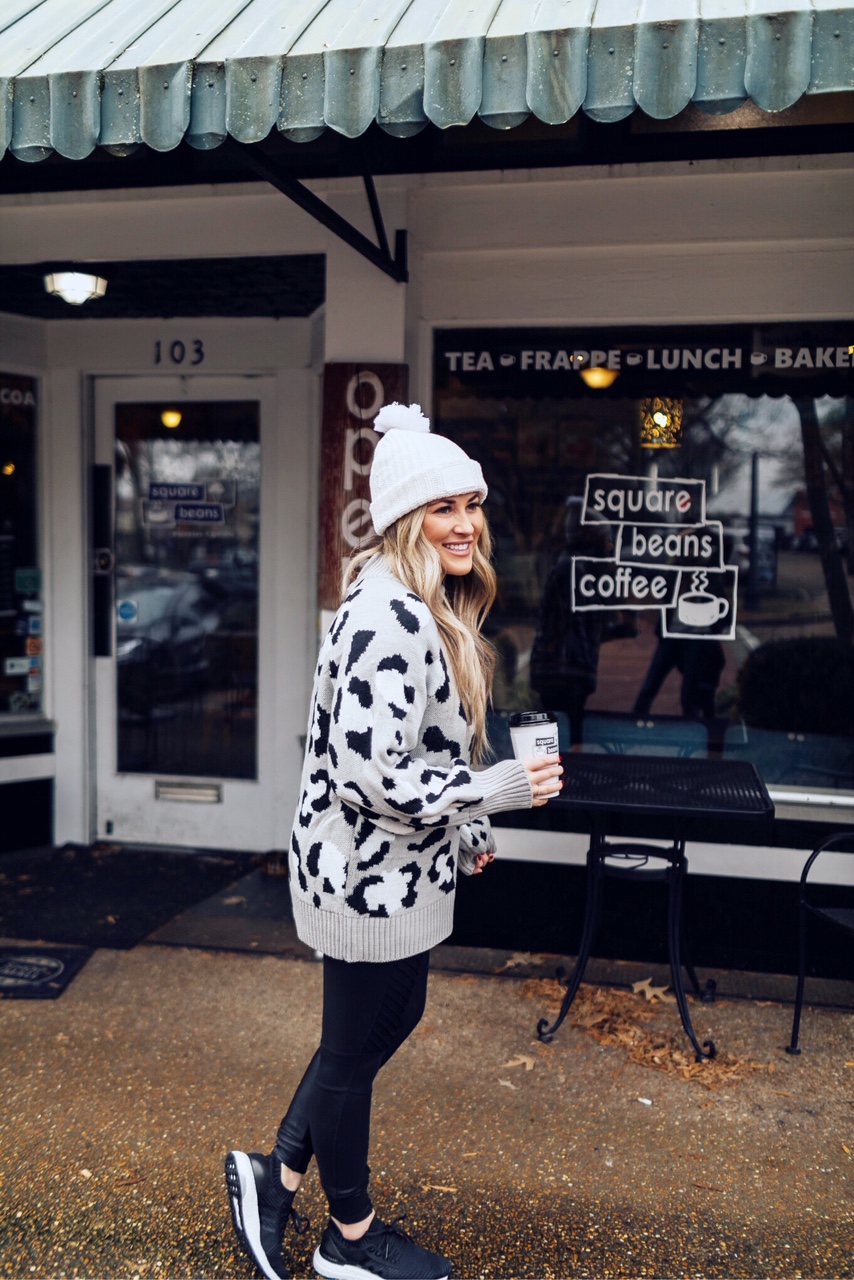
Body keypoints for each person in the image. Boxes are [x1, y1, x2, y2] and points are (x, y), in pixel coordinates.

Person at [224, 402, 563, 1280]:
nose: (467, 524)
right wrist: (498, 788)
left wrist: (470, 819)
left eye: (474, 504)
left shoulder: (417, 600)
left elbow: (424, 747)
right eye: (445, 506)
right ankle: (350, 1235)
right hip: (361, 871)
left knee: (384, 1021)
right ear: (409, 517)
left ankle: (278, 1173)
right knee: (352, 1045)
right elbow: (371, 775)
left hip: (396, 868)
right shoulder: (391, 617)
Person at [529, 498, 636, 746]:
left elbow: (587, 629)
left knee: (564, 737)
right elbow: (582, 628)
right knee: (562, 739)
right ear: (591, 540)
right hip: (563, 673)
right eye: (605, 538)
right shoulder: (574, 571)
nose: (610, 545)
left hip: (567, 672)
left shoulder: (581, 570)